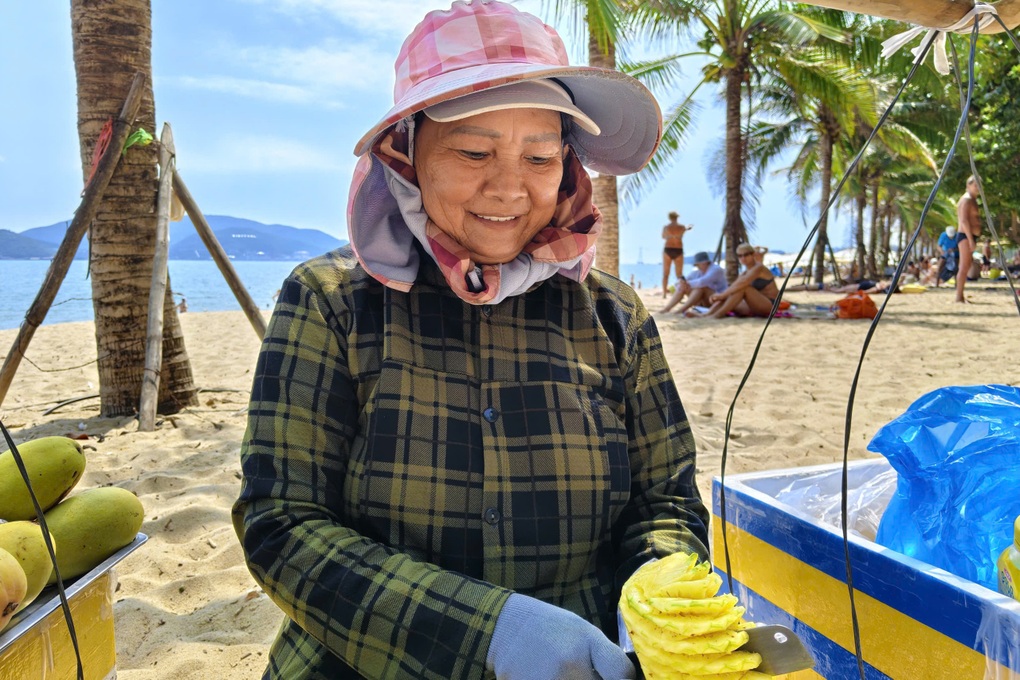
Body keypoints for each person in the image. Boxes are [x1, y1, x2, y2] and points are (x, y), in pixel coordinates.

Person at [231, 3, 710, 679]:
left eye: (540, 156)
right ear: (405, 154)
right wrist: (492, 634)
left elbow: (667, 499)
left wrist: (655, 600)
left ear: (568, 167)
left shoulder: (615, 317)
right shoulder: (330, 302)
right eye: (473, 151)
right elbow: (280, 522)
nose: (509, 186)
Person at [687, 243, 780, 318]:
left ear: (753, 255)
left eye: (746, 255)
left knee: (744, 288)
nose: (743, 258)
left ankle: (717, 315)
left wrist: (722, 294)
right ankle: (707, 314)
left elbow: (743, 283)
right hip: (753, 305)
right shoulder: (744, 273)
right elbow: (734, 286)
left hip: (769, 305)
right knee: (732, 291)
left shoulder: (759, 267)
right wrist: (720, 296)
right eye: (740, 256)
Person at [660, 251, 727, 315]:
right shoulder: (698, 272)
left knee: (700, 288)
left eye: (698, 265)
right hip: (704, 301)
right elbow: (682, 282)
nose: (697, 266)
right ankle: (667, 308)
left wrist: (686, 283)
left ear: (704, 263)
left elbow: (702, 282)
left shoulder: (716, 270)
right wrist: (681, 282)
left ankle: (681, 310)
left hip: (718, 300)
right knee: (683, 286)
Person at [956, 175, 982, 302]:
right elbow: (964, 221)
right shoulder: (966, 200)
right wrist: (970, 239)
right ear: (968, 186)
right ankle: (958, 296)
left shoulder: (973, 199)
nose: (978, 188)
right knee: (964, 266)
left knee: (967, 265)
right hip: (965, 236)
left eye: (979, 186)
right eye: (975, 185)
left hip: (971, 236)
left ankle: (961, 295)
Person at [661, 211, 691, 296]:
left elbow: (663, 237)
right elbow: (688, 228)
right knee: (679, 274)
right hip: (678, 249)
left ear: (670, 218)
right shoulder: (681, 227)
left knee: (666, 273)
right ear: (677, 218)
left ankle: (664, 294)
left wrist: (670, 236)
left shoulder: (666, 227)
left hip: (668, 249)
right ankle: (680, 294)